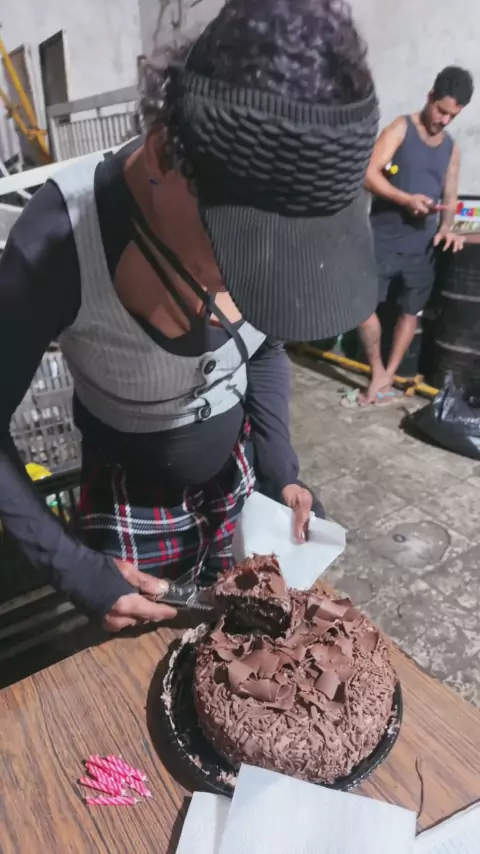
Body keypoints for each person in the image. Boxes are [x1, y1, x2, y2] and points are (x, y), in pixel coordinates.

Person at [0, 0, 379, 632]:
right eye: (237, 251)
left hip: (235, 480)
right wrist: (73, 567)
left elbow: (264, 347)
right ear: (161, 155)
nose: (254, 280)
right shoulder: (60, 243)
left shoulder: (272, 221)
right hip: (131, 498)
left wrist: (279, 469)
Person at [358, 65, 474, 405]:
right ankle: (377, 369)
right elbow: (368, 174)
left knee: (411, 311)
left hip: (421, 247)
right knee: (362, 307)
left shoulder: (451, 148)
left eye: (453, 116)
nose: (444, 120)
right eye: (441, 110)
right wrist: (405, 199)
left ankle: (388, 374)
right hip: (383, 239)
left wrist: (447, 228)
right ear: (430, 96)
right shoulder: (400, 128)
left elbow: (450, 195)